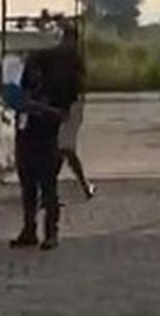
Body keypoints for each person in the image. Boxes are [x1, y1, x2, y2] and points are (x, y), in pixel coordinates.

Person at [9, 33, 76, 251]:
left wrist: (37, 108)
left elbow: (60, 115)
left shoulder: (55, 90)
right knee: (28, 188)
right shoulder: (28, 87)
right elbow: (17, 103)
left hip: (46, 140)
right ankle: (29, 229)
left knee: (48, 188)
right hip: (26, 136)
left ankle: (51, 232)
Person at [53, 26, 95, 201]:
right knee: (64, 149)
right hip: (67, 107)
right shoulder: (71, 59)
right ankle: (83, 186)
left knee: (64, 148)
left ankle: (52, 187)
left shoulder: (70, 59)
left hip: (70, 107)